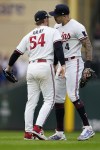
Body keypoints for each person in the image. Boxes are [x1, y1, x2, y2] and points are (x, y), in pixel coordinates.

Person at [5, 10, 65, 140]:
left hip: (31, 67)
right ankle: (37, 128)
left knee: (31, 102)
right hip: (45, 65)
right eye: (47, 18)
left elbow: (16, 53)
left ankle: (28, 132)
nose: (49, 20)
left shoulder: (29, 35)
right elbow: (58, 49)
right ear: (45, 20)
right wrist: (62, 65)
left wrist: (9, 68)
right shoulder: (52, 31)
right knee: (49, 99)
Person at [48, 4, 95, 141]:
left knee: (73, 95)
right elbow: (57, 49)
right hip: (62, 64)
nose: (54, 17)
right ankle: (60, 133)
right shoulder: (56, 28)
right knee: (57, 98)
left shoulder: (77, 26)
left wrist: (87, 66)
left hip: (74, 62)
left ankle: (88, 128)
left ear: (64, 15)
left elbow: (88, 45)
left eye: (56, 15)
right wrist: (56, 64)